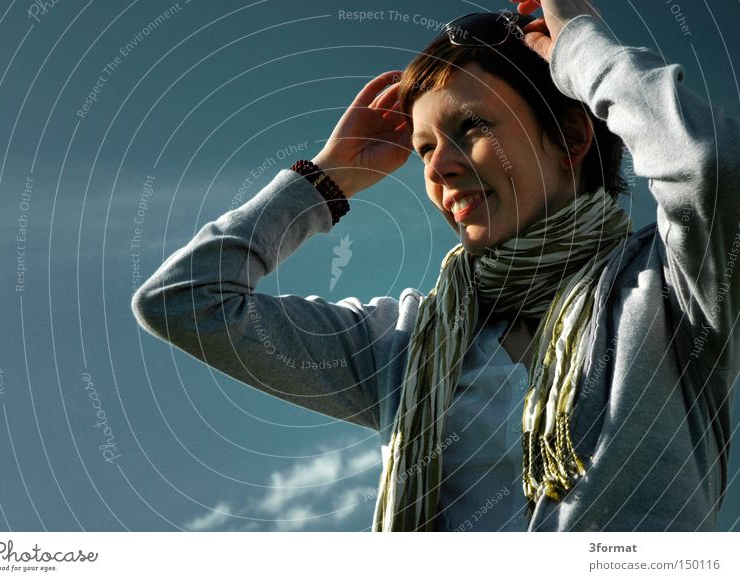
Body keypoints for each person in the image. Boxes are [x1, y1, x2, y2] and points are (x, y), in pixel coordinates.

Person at [131, 0, 740, 532]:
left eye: (471, 127)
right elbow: (185, 301)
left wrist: (581, 43)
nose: (437, 167)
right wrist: (322, 181)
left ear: (573, 136)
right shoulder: (402, 343)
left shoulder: (672, 287)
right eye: (424, 148)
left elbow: (711, 162)